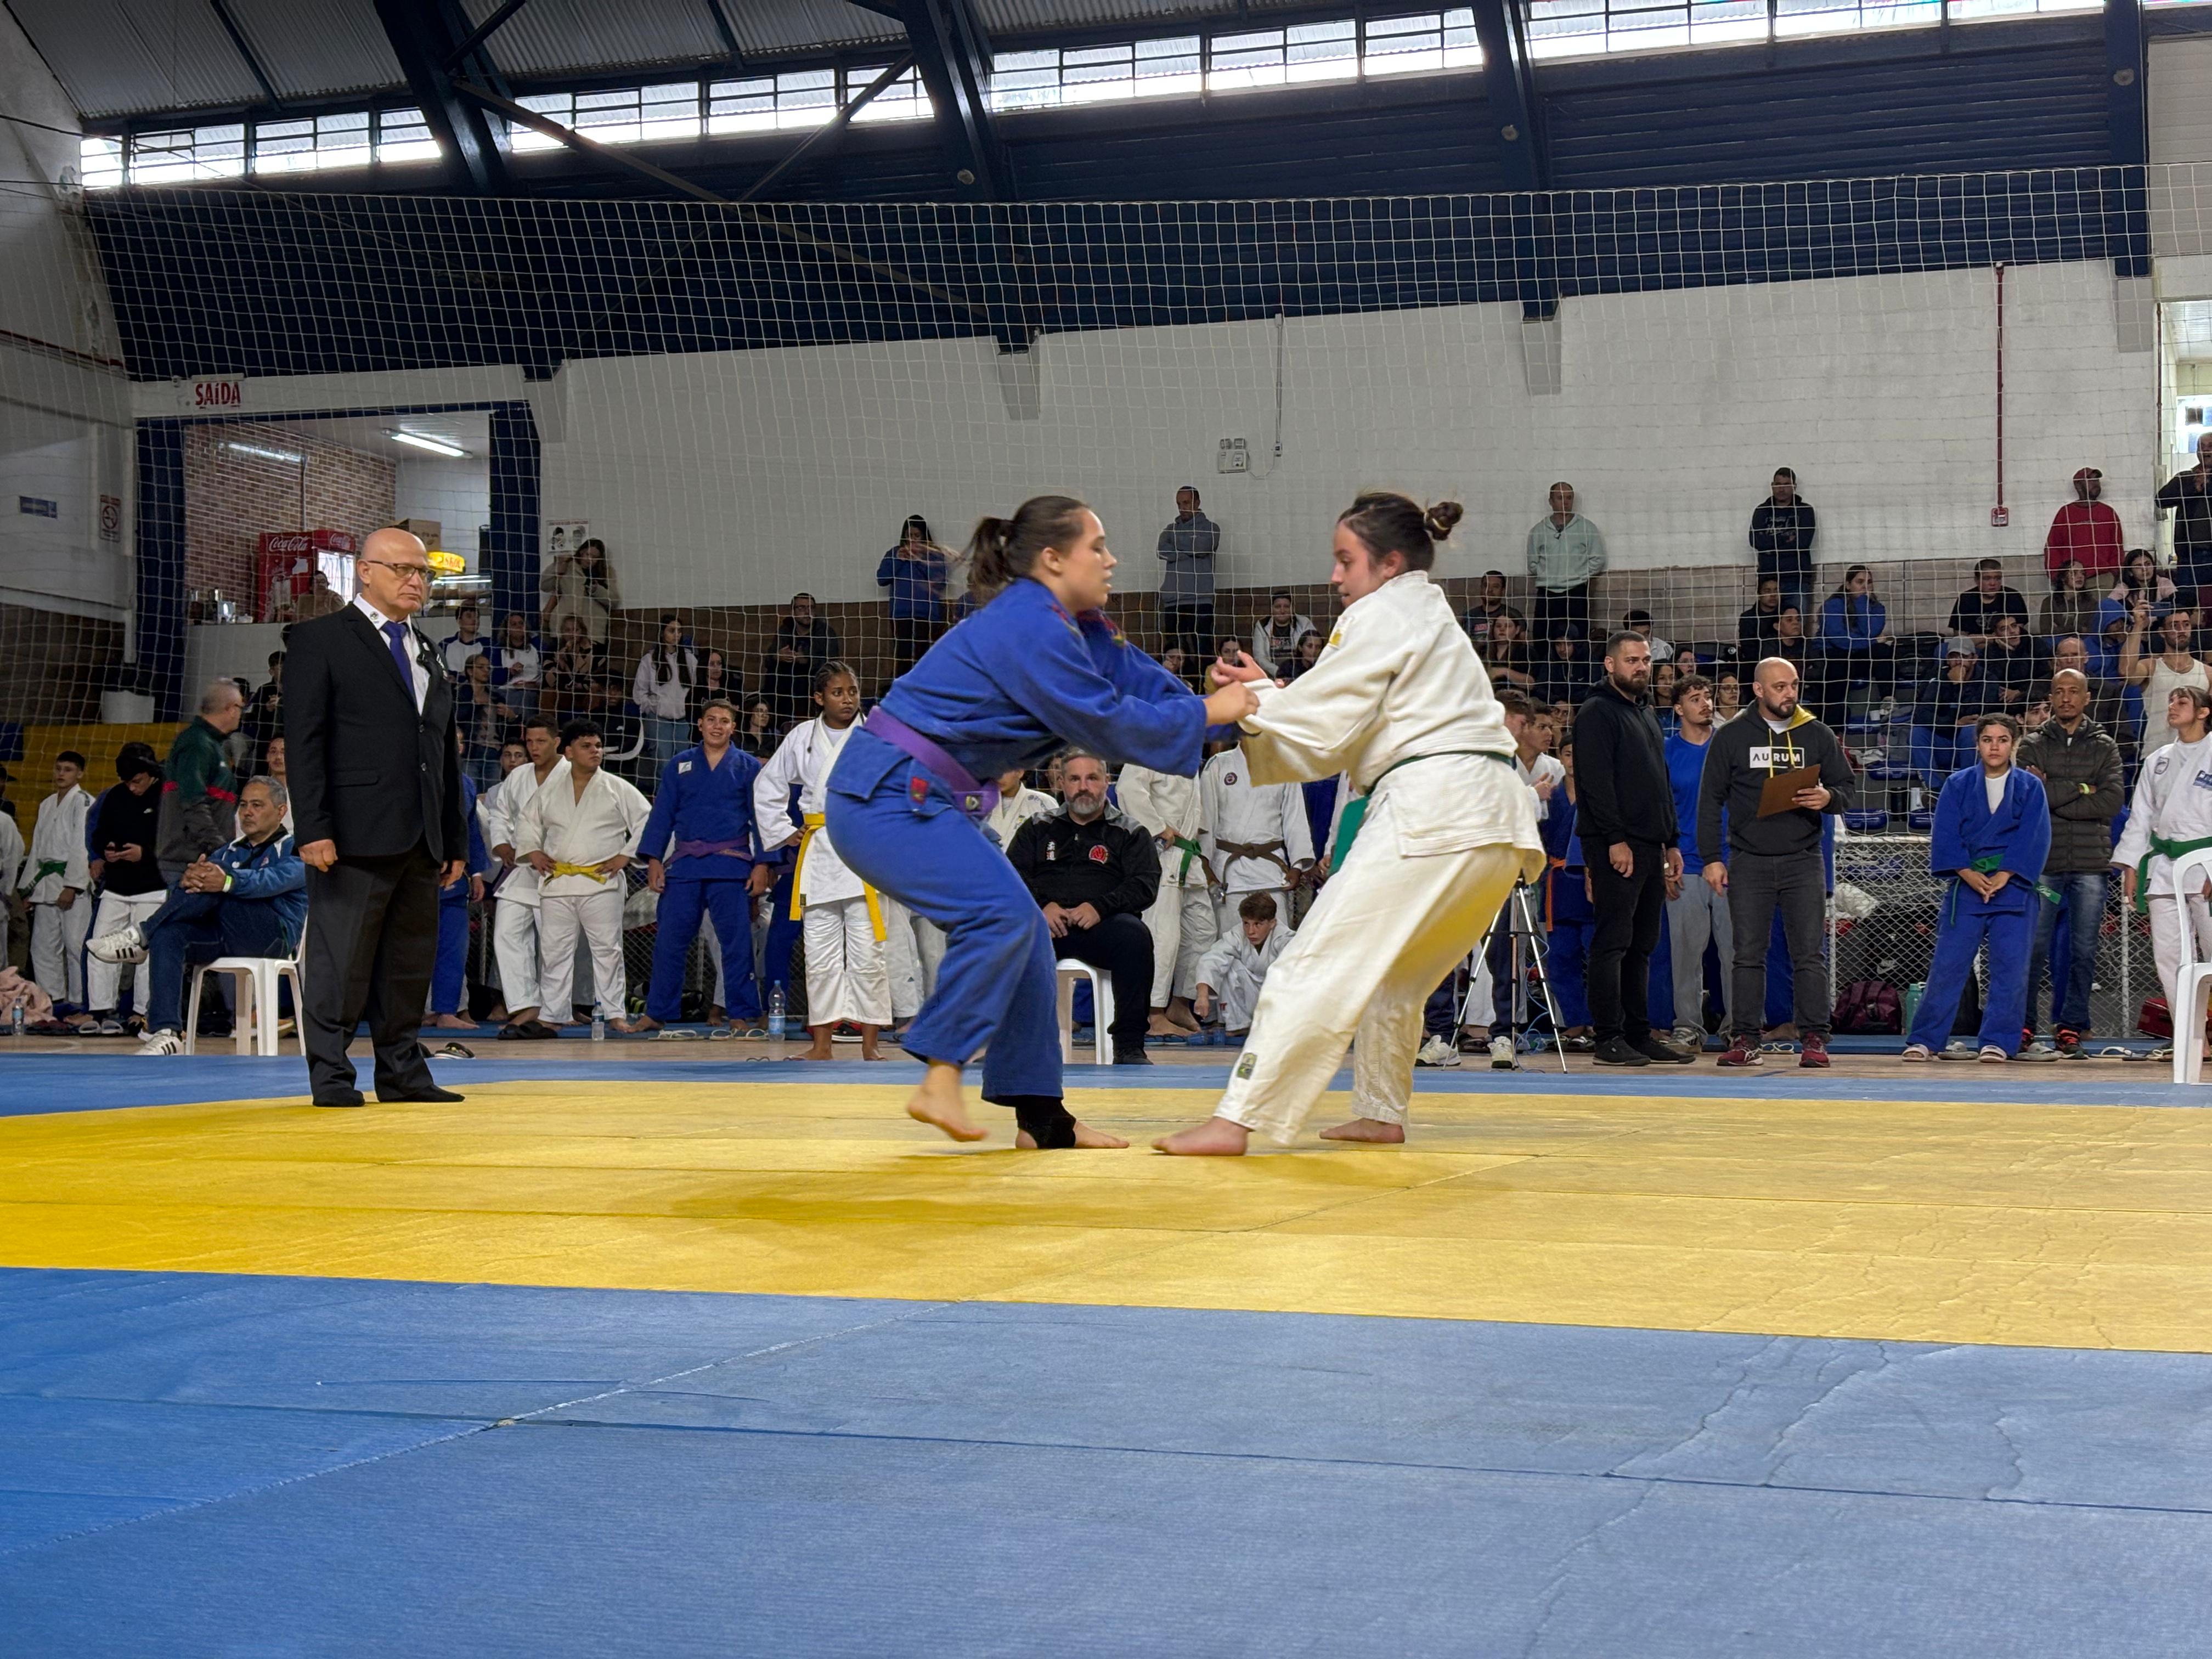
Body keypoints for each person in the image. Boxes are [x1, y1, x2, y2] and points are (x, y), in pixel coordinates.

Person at [825, 493, 1251, 1148]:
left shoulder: (1077, 625)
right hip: (884, 797)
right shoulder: (1029, 623)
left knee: (1025, 934)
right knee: (1001, 917)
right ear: (1053, 559)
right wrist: (1208, 714)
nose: (1112, 560)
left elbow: (1134, 679)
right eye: (1097, 548)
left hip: (925, 798)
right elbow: (1103, 722)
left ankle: (1044, 1121)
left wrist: (1216, 703)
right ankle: (941, 1071)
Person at [1155, 492, 1545, 1156]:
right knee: (1397, 979)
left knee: (1311, 962)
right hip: (1497, 824)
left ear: (1388, 563)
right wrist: (1270, 693)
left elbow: (1327, 726)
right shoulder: (1427, 615)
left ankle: (1237, 1119)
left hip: (1434, 810)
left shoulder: (1380, 612)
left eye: (1346, 561)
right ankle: (1381, 1110)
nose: (1335, 576)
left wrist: (1243, 704)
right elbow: (1349, 716)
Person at [284, 525, 470, 1108]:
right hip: (350, 833)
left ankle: (403, 1075)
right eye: (403, 569)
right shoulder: (319, 639)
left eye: (423, 573)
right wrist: (313, 828)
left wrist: (454, 839)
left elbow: (442, 753)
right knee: (341, 963)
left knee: (407, 967)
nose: (416, 581)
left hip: (421, 836)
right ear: (365, 572)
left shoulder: (426, 650)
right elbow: (305, 742)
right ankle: (331, 1077)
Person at [1696, 656, 1853, 1069]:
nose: (1790, 693)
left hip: (1804, 859)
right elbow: (1709, 800)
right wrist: (1712, 858)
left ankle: (1814, 1038)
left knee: (1809, 954)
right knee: (1747, 954)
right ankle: (1746, 1038)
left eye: (1794, 685)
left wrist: (1829, 798)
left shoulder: (1816, 732)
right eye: (1780, 687)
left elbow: (1846, 787)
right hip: (1748, 860)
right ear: (1759, 690)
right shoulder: (1732, 736)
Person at [87, 776, 305, 1056]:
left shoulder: (296, 848)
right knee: (169, 935)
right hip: (225, 935)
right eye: (243, 805)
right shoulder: (230, 850)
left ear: (281, 811)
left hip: (273, 939)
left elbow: (270, 882)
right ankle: (167, 1032)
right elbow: (192, 890)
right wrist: (188, 879)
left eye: (257, 805)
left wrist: (226, 881)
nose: (247, 812)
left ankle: (141, 935)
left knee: (219, 882)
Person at [756, 663, 889, 1058]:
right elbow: (768, 785)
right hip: (819, 852)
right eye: (838, 692)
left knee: (869, 953)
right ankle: (822, 1044)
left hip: (864, 851)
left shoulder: (876, 734)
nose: (848, 699)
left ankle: (870, 1044)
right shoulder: (802, 737)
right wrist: (784, 831)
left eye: (853, 691)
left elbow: (898, 787)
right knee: (820, 953)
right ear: (819, 698)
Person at [1900, 715, 2050, 1063]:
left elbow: (2035, 835)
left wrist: (2006, 873)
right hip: (1967, 887)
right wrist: (1967, 873)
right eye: (1987, 740)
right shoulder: (1958, 784)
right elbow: (1947, 833)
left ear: (2014, 744)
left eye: (2002, 740)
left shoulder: (2030, 787)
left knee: (2010, 969)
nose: (1994, 747)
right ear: (1977, 744)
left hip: (2013, 887)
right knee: (1948, 966)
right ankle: (1926, 1039)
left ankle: (1998, 1041)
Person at [1574, 632, 1689, 1068]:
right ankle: (1608, 1037)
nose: (1641, 667)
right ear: (1610, 665)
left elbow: (1660, 781)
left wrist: (1671, 841)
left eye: (1645, 660)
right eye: (1631, 660)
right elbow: (1596, 784)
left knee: (1642, 944)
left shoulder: (1645, 712)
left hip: (1650, 843)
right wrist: (1615, 840)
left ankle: (1639, 1034)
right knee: (1613, 942)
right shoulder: (1596, 712)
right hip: (1616, 844)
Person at [1007, 750, 1162, 1065]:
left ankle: (1129, 1045)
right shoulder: (1038, 827)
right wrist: (1042, 907)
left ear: (1107, 782)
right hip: (1045, 927)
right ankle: (1011, 1042)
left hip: (1103, 927)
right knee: (1002, 937)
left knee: (1135, 937)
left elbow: (1145, 884)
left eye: (1092, 778)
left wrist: (1100, 907)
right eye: (1075, 779)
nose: (1083, 787)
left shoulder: (1130, 831)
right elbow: (1010, 875)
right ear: (1061, 783)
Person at [635, 697, 773, 1037]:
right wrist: (654, 859)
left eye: (724, 721)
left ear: (733, 728)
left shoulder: (748, 767)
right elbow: (662, 815)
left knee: (737, 943)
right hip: (685, 866)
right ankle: (657, 1011)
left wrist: (762, 865)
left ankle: (740, 1013)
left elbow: (761, 820)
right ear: (700, 725)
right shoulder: (680, 765)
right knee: (669, 940)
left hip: (731, 865)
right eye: (711, 719)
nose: (717, 726)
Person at [515, 721, 651, 1032]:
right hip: (559, 882)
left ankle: (615, 1012)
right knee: (554, 952)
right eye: (587, 746)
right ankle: (552, 1014)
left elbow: (647, 820)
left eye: (598, 746)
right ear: (569, 752)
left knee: (608, 951)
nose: (596, 752)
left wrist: (626, 855)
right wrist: (533, 852)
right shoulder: (551, 788)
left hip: (600, 882)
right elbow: (528, 822)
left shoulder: (617, 787)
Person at [2016, 669, 2123, 1059]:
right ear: (2051, 697)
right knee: (2033, 948)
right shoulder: (2032, 743)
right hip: (2044, 863)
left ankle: (2071, 1027)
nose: (2066, 698)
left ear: (2087, 698)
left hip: (2092, 866)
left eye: (2073, 691)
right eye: (2059, 691)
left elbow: (2111, 801)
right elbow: (2030, 798)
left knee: (2084, 951)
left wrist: (2055, 791)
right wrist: (2083, 788)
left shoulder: (2105, 746)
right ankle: (2023, 1025)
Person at [2113, 685, 2212, 1062]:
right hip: (2164, 867)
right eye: (2171, 701)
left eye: (2182, 702)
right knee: (2169, 959)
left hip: (2206, 864)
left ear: (2203, 712)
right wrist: (2131, 866)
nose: (2172, 706)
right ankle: (2192, 1039)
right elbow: (2140, 818)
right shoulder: (2158, 760)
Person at [479, 715, 567, 1040]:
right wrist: (502, 843)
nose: (534, 748)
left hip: (558, 870)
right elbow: (500, 814)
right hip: (521, 869)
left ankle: (555, 1010)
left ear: (557, 742)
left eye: (541, 741)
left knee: (555, 944)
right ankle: (526, 1004)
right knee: (506, 933)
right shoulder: (518, 777)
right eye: (530, 741)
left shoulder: (573, 775)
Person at [1116, 758, 1217, 1037]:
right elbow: (1127, 788)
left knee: (1202, 931)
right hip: (1160, 853)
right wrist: (1158, 827)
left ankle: (1179, 1004)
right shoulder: (1150, 749)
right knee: (1163, 936)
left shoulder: (1187, 756)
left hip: (1187, 855)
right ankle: (1152, 1013)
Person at [1663, 674, 1731, 1048]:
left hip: (1730, 862)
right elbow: (1660, 810)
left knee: (1737, 953)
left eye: (1708, 697)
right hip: (1684, 864)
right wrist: (1664, 859)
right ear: (1678, 708)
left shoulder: (1729, 746)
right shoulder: (1666, 752)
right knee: (1686, 954)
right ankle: (1688, 1026)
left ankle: (1741, 1027)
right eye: (1695, 699)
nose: (1706, 703)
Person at [81, 749, 166, 1035]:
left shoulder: (168, 796)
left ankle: (142, 1013)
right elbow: (99, 832)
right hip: (117, 885)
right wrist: (105, 849)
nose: (132, 787)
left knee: (146, 952)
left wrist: (145, 853)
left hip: (153, 887)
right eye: (127, 782)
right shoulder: (116, 795)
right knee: (98, 945)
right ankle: (100, 1010)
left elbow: (176, 840)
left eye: (137, 781)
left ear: (151, 774)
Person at [1200, 738, 1313, 929]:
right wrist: (1205, 865)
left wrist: (1297, 865)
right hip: (1229, 874)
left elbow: (1295, 819)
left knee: (1276, 940)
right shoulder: (1218, 765)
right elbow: (1206, 820)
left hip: (1271, 872)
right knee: (1229, 941)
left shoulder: (1284, 767)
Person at [427, 726, 490, 1030]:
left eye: (458, 743)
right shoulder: (413, 779)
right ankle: (415, 1010)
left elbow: (471, 831)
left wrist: (476, 873)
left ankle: (446, 1010)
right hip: (417, 878)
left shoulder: (466, 783)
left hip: (455, 882)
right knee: (410, 951)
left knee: (452, 950)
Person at [23, 752, 92, 1011]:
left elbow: (82, 845)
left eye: (68, 770)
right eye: (59, 768)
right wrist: (28, 888)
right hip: (45, 882)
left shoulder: (84, 801)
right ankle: (51, 1000)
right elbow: (38, 848)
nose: (61, 774)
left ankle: (80, 1001)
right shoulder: (46, 804)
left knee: (76, 944)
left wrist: (72, 885)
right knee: (42, 946)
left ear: (80, 774)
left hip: (71, 883)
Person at [158, 680, 242, 884]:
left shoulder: (211, 744)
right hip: (191, 861)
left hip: (198, 858)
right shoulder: (197, 743)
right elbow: (193, 802)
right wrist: (220, 849)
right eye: (241, 707)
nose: (241, 714)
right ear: (231, 709)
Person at [1194, 891, 1290, 1038]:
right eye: (1246, 923)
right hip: (1249, 1001)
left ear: (1272, 923)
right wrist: (1202, 996)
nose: (1251, 931)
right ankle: (1238, 1025)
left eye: (1258, 924)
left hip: (1277, 1005)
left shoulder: (1285, 938)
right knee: (1230, 964)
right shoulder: (1237, 934)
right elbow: (1212, 959)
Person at [2121, 602, 2210, 754]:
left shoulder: (2208, 673)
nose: (2181, 630)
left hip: (2197, 754)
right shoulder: (2151, 667)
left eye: (2186, 624)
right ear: (2162, 632)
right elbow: (2126, 671)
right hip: (2157, 754)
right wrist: (2138, 626)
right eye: (2174, 625)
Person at [1911, 639, 1999, 789]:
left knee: (1971, 730)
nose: (1958, 662)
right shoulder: (1937, 677)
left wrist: (1959, 687)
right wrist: (1954, 723)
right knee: (1918, 733)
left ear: (1974, 659)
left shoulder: (1988, 680)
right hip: (1943, 742)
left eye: (1964, 656)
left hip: (1972, 747)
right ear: (1947, 659)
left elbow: (1977, 715)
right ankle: (1935, 789)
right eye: (1954, 657)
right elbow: (1922, 715)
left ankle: (1967, 787)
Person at [1526, 481, 1605, 643]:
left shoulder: (1587, 527)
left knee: (1578, 639)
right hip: (1547, 592)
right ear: (1551, 501)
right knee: (1543, 639)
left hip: (1576, 592)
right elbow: (1533, 563)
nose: (1565, 502)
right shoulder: (1538, 531)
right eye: (1560, 498)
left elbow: (1598, 559)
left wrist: (1578, 576)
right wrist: (1547, 575)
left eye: (1569, 498)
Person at [878, 515, 950, 676]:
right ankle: (903, 689)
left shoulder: (934, 555)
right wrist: (899, 560)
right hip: (901, 615)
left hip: (927, 616)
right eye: (909, 535)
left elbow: (939, 582)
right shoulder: (894, 553)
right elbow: (882, 579)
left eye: (917, 535)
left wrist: (918, 559)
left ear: (924, 536)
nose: (913, 539)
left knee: (925, 658)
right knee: (903, 659)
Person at [1155, 486, 1222, 661]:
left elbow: (1202, 547)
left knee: (1203, 652)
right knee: (1174, 653)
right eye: (1179, 504)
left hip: (1200, 600)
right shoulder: (1170, 529)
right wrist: (1190, 548)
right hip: (1173, 602)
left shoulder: (1211, 528)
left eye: (1186, 503)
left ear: (1197, 503)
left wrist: (1176, 545)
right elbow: (1161, 551)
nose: (1182, 508)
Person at [1816, 564, 1889, 706]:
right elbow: (1840, 641)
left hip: (1857, 654)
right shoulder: (1833, 605)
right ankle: (1833, 712)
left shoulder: (1877, 608)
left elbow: (1869, 632)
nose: (1865, 587)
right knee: (1839, 662)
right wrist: (1872, 642)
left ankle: (1888, 700)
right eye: (1860, 582)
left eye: (1869, 582)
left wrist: (1862, 603)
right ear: (1848, 585)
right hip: (1833, 654)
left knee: (1883, 651)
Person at [764, 592, 841, 723]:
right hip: (787, 685)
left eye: (811, 608)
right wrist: (777, 657)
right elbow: (768, 660)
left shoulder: (825, 631)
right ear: (793, 612)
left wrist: (807, 660)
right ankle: (779, 723)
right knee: (773, 676)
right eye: (802, 608)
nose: (807, 612)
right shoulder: (785, 630)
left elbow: (833, 662)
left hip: (814, 682)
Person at [1749, 467, 1815, 616]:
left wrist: (1770, 546)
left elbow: (1803, 542)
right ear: (1772, 486)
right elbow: (1754, 540)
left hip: (1796, 579)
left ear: (1794, 487)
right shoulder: (1762, 510)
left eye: (1786, 484)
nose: (1781, 489)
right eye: (1778, 484)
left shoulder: (1805, 511)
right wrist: (1786, 539)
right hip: (1768, 581)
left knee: (1795, 625)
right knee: (1767, 625)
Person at [632, 614, 698, 763]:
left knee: (685, 762)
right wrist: (654, 706)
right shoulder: (649, 660)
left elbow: (697, 688)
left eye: (679, 631)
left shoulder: (690, 659)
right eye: (672, 631)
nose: (677, 635)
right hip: (659, 719)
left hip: (684, 720)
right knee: (663, 761)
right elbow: (639, 692)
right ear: (662, 633)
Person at [2157, 433, 2212, 603]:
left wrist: (2208, 484)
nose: (2206, 451)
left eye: (2210, 446)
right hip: (2189, 556)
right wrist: (2194, 488)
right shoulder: (2185, 478)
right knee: (2187, 603)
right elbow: (2161, 500)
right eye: (2201, 447)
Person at [540, 536, 622, 646]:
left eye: (595, 557)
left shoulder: (606, 573)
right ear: (582, 552)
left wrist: (597, 590)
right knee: (561, 655)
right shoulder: (568, 566)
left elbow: (614, 601)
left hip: (593, 629)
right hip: (563, 625)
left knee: (590, 656)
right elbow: (544, 586)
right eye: (588, 555)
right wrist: (559, 565)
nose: (590, 559)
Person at [2045, 467, 2124, 578]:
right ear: (2078, 485)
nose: (2095, 483)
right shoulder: (2065, 513)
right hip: (2072, 579)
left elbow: (2117, 547)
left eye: (2097, 480)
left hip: (2102, 578)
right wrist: (2056, 577)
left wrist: (2113, 574)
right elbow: (2053, 547)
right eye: (2090, 480)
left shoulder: (2108, 513)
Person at [455, 651, 509, 788]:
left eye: (488, 668)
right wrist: (475, 705)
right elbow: (457, 720)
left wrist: (512, 717)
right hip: (470, 753)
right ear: (470, 671)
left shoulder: (497, 698)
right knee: (470, 792)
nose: (486, 671)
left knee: (493, 795)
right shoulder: (458, 695)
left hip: (494, 754)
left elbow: (505, 728)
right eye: (481, 667)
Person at [541, 614, 604, 726]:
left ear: (582, 631)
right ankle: (548, 730)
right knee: (547, 692)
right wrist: (561, 662)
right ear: (562, 632)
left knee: (595, 689)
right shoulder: (554, 648)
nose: (572, 634)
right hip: (564, 693)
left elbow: (600, 678)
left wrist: (580, 685)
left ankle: (591, 729)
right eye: (568, 630)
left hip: (585, 693)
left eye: (576, 630)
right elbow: (548, 680)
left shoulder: (597, 650)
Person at [1949, 558, 2030, 644]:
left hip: (2006, 648)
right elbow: (1960, 640)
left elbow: (2016, 637)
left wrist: (1980, 639)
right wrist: (1994, 639)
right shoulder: (1966, 599)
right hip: (1974, 650)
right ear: (1977, 580)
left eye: (1998, 578)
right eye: (1987, 579)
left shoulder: (2012, 596)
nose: (1993, 583)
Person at [1250, 592, 1317, 678]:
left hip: (1301, 674)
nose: (1282, 611)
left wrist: (1298, 672)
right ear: (1272, 608)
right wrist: (1279, 672)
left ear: (1292, 608)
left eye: (1286, 607)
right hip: (1272, 676)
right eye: (1278, 607)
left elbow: (1314, 647)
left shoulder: (1304, 623)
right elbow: (1260, 657)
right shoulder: (1262, 625)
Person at [489, 612, 541, 718]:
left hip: (531, 691)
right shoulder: (499, 650)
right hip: (507, 691)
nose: (519, 627)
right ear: (507, 630)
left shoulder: (536, 647)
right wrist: (511, 672)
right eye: (514, 624)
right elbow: (494, 678)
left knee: (528, 697)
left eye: (521, 623)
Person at [2038, 560, 2100, 645]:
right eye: (2074, 573)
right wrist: (2077, 629)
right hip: (2057, 644)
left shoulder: (2091, 602)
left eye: (2083, 573)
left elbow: (2091, 630)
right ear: (2063, 578)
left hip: (2082, 644)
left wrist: (2061, 629)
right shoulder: (2049, 602)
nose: (2080, 576)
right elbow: (2047, 632)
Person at [1461, 571, 1525, 650]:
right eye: (1486, 585)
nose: (1490, 590)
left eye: (1495, 587)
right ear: (1481, 588)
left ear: (1503, 591)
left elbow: (1523, 645)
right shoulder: (1469, 616)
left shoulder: (1513, 614)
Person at [1533, 627, 1594, 707]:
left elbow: (1594, 688)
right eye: (1558, 644)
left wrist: (1572, 704)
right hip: (1556, 706)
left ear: (1576, 645)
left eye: (1568, 644)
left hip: (1583, 707)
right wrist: (1556, 701)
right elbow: (1539, 688)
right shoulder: (1551, 659)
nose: (1562, 649)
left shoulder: (1588, 659)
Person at [245, 652, 285, 766]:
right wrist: (267, 710)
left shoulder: (297, 689)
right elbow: (254, 716)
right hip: (267, 736)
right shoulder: (264, 690)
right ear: (271, 672)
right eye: (281, 668)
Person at [1481, 610, 1535, 693]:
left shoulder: (1526, 651)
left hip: (1517, 698)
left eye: (1508, 626)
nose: (1502, 629)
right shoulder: (1482, 651)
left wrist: (1504, 672)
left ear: (1517, 630)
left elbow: (1531, 683)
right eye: (1498, 626)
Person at [1738, 574, 1783, 664]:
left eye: (1776, 590)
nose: (1773, 595)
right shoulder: (1748, 618)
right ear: (1759, 595)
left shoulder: (1786, 615)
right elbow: (1749, 651)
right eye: (1767, 591)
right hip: (1756, 665)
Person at [438, 603, 488, 679]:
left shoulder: (488, 644)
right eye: (469, 616)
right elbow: (438, 670)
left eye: (477, 617)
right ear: (459, 621)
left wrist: (457, 677)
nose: (474, 620)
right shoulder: (445, 644)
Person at [688, 648, 735, 722]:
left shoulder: (732, 689)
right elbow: (692, 719)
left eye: (719, 663)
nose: (716, 668)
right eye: (712, 664)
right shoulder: (695, 693)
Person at [736, 695, 780, 760]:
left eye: (767, 713)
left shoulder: (772, 741)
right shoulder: (739, 738)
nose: (764, 716)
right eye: (760, 711)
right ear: (750, 712)